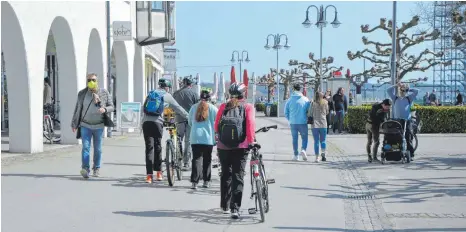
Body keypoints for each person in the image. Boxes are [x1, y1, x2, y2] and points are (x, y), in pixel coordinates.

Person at [215, 82, 255, 219]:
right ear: (243, 94)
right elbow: (250, 125)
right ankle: (235, 208)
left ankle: (224, 205)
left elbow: (216, 126)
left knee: (226, 174)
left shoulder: (223, 106)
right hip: (241, 147)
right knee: (238, 176)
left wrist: (220, 139)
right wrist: (251, 141)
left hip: (223, 146)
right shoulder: (248, 107)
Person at [141, 79, 188, 183]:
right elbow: (178, 108)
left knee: (149, 148)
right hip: (157, 123)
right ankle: (158, 173)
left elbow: (143, 108)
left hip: (146, 123)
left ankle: (149, 176)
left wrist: (142, 123)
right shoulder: (166, 95)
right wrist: (189, 117)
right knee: (157, 146)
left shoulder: (151, 93)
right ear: (167, 87)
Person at [71, 73, 114, 178]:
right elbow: (78, 109)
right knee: (85, 147)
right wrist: (74, 123)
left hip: (98, 126)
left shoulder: (103, 92)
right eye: (89, 80)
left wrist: (104, 109)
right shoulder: (82, 93)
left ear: (97, 81)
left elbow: (112, 106)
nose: (91, 82)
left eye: (94, 80)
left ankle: (96, 168)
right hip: (85, 125)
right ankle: (85, 168)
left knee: (98, 149)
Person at [188, 89, 218, 189]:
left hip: (195, 137)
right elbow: (218, 122)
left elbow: (189, 122)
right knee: (207, 159)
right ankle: (206, 181)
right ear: (209, 98)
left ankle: (194, 182)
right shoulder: (213, 108)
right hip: (208, 138)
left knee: (196, 159)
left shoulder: (193, 107)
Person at [173, 77, 200, 170]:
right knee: (188, 141)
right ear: (191, 84)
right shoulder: (194, 94)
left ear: (182, 83)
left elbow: (172, 106)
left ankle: (178, 159)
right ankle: (186, 162)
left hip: (179, 118)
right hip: (190, 120)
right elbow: (198, 107)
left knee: (178, 139)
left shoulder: (176, 93)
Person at [386, 82, 419, 158]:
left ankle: (411, 153)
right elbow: (388, 90)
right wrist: (396, 85)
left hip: (407, 121)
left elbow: (416, 91)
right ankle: (397, 152)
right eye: (401, 90)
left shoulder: (409, 98)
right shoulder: (395, 98)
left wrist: (407, 88)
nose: (402, 92)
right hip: (397, 120)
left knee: (408, 136)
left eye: (404, 91)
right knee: (397, 137)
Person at [284, 84, 310, 161]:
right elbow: (308, 111)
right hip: (303, 122)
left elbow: (286, 112)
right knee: (304, 138)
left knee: (295, 139)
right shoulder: (305, 99)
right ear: (300, 89)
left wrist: (290, 119)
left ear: (293, 89)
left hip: (293, 122)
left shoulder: (289, 100)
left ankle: (296, 155)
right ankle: (303, 149)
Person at [310, 91, 329, 162]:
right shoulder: (325, 102)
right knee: (323, 140)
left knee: (316, 141)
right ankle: (323, 153)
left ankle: (317, 157)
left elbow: (310, 113)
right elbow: (327, 112)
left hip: (315, 124)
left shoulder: (313, 103)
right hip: (323, 123)